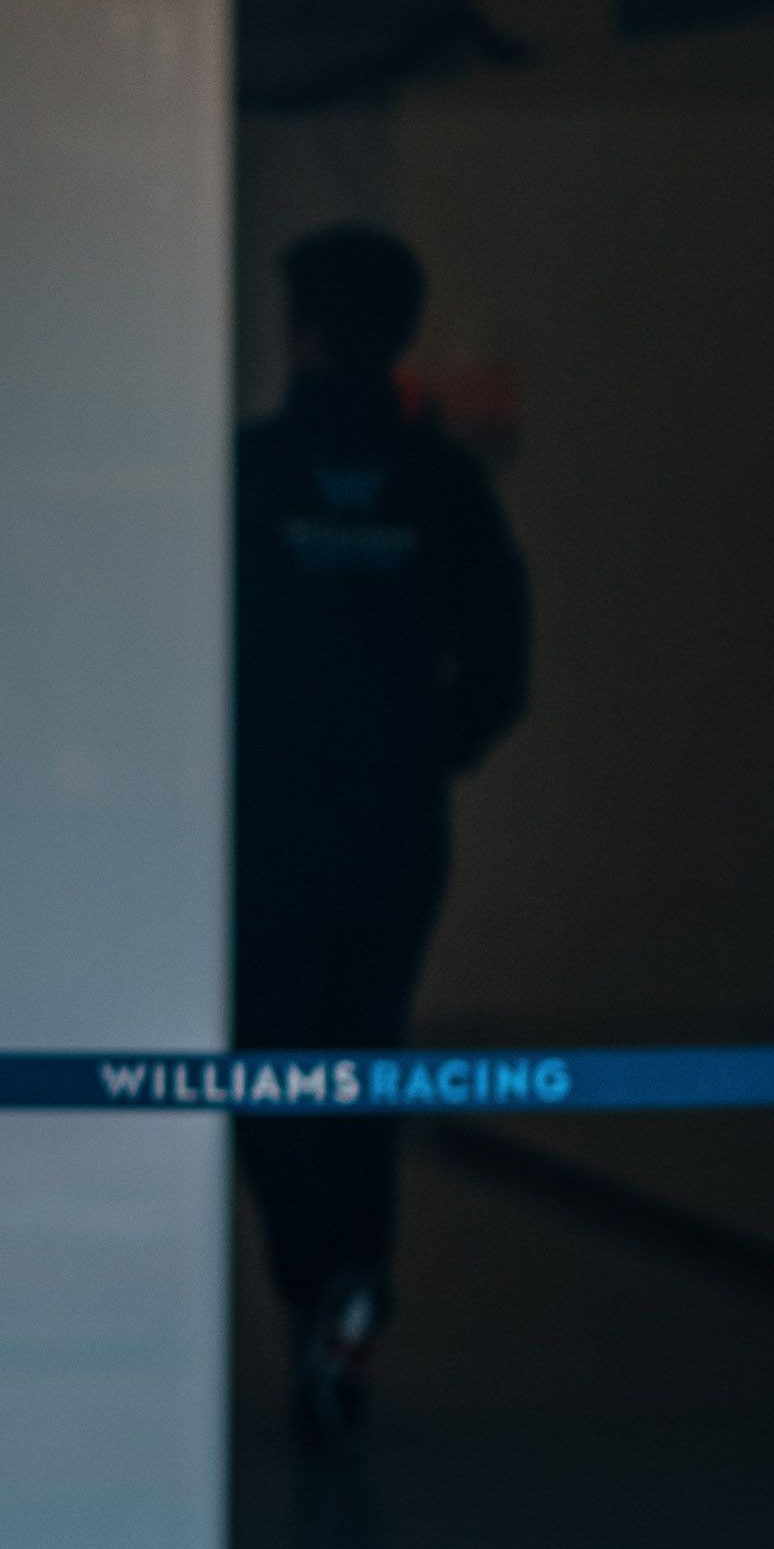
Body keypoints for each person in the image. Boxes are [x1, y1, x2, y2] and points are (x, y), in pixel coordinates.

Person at [231, 223, 530, 1438]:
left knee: (265, 1071)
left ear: (303, 331)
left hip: (274, 834)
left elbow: (181, 646)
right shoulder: (443, 486)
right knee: (364, 1065)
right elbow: (504, 668)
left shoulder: (254, 474)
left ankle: (323, 1296)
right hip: (399, 835)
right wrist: (421, 755)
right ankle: (347, 1306)